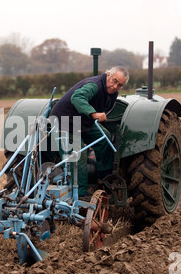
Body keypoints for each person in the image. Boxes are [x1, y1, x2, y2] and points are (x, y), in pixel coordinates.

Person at [50, 66, 129, 198]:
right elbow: (77, 97)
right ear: (108, 75)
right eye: (114, 81)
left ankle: (104, 178)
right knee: (78, 154)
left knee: (105, 139)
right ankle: (79, 195)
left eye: (120, 85)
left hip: (83, 121)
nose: (115, 86)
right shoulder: (95, 85)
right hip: (65, 121)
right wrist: (93, 113)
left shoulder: (111, 92)